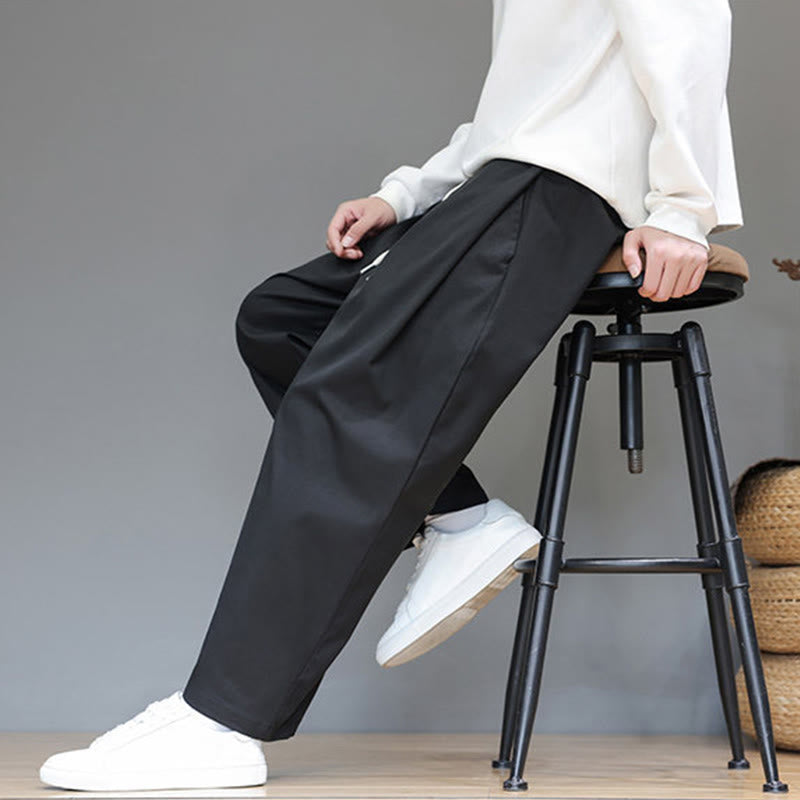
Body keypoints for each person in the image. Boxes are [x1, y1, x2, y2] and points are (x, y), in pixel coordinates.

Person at [39, 0, 742, 791]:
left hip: (558, 188)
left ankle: (224, 719)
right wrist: (407, 194)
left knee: (348, 396)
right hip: (503, 181)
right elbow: (520, 108)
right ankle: (463, 517)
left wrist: (683, 209)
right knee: (282, 320)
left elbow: (686, 26)